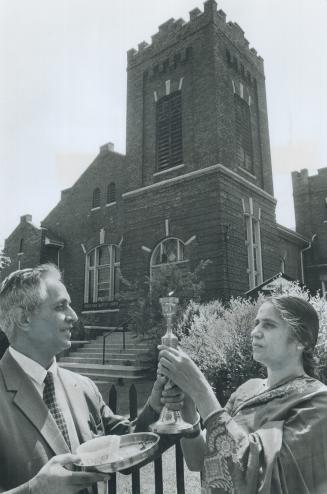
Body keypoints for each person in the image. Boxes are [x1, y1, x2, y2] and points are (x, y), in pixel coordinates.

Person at [0, 264, 182, 494]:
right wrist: (34, 490)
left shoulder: (83, 387)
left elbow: (125, 446)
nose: (74, 316)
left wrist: (157, 406)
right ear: (23, 319)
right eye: (60, 306)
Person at [158, 295, 327, 494]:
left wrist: (200, 390)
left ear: (303, 341)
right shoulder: (247, 390)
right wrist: (189, 410)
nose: (255, 332)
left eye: (269, 325)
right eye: (256, 323)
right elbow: (199, 461)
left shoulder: (317, 404)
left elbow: (266, 479)